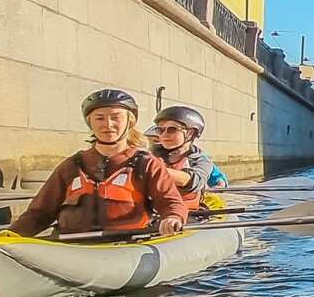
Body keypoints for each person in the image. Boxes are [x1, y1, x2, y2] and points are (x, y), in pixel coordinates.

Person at [11, 89, 188, 240]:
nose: (108, 125)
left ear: (129, 122)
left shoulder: (147, 163)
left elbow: (171, 202)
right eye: (100, 118)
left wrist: (173, 217)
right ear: (90, 123)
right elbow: (39, 213)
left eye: (116, 117)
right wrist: (11, 236)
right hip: (73, 244)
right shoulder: (72, 165)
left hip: (128, 244)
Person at [146, 105, 220, 215]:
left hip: (189, 215)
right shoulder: (149, 155)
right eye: (160, 130)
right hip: (152, 214)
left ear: (190, 133)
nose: (164, 134)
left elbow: (194, 181)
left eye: (172, 129)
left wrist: (151, 169)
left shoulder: (201, 161)